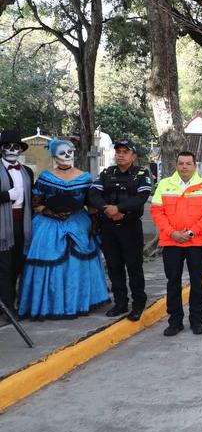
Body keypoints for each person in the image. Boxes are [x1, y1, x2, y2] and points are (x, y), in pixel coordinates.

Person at [17, 139, 110, 319]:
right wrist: (50, 212)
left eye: (70, 152)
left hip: (78, 223)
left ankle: (78, 301)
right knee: (48, 260)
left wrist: (95, 223)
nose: (68, 156)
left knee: (78, 264)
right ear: (53, 156)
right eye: (62, 153)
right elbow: (36, 202)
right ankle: (49, 304)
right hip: (48, 226)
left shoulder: (85, 177)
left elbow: (90, 204)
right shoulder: (46, 177)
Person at [150, 151, 202, 336]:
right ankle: (175, 322)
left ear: (195, 165)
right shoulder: (164, 185)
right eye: (181, 163)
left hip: (197, 243)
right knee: (173, 282)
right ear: (176, 165)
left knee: (197, 282)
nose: (184, 167)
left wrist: (190, 232)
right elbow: (157, 212)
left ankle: (197, 321)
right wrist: (172, 233)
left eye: (188, 163)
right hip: (171, 242)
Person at [88, 139, 152, 322]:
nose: (121, 154)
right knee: (114, 267)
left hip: (130, 228)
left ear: (133, 156)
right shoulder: (107, 173)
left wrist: (120, 209)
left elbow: (141, 197)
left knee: (134, 268)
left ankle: (138, 304)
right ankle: (120, 303)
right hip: (108, 227)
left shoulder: (141, 174)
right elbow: (93, 194)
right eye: (118, 151)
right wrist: (107, 209)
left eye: (125, 151)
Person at [0, 130, 34, 315]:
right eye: (8, 146)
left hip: (23, 224)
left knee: (18, 264)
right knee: (4, 267)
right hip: (2, 226)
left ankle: (12, 301)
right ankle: (7, 308)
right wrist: (6, 196)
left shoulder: (27, 171)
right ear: (1, 149)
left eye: (16, 147)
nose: (12, 150)